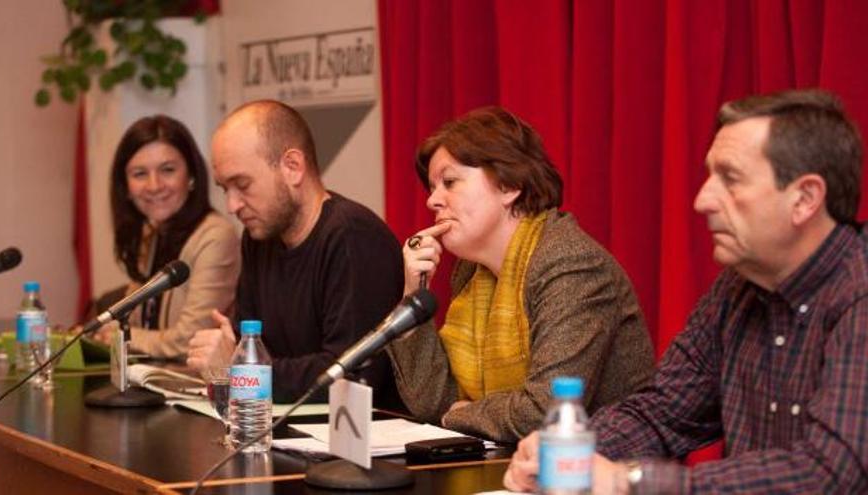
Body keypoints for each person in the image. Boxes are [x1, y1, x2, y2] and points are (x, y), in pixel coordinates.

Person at [504, 89, 868, 493]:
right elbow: (664, 412)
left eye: (730, 179)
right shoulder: (737, 290)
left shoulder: (859, 292)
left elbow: (833, 472)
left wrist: (630, 480)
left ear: (804, 198)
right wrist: (567, 449)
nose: (702, 200)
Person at [387, 106, 655, 443]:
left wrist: (460, 414)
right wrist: (414, 294)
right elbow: (432, 403)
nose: (432, 201)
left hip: (601, 476)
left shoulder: (570, 264)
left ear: (509, 185)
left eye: (450, 182)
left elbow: (544, 411)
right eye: (432, 187)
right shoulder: (472, 271)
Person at [186, 100, 404, 406]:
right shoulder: (258, 238)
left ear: (292, 167)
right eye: (225, 189)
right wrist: (225, 357)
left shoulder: (353, 238)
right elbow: (248, 347)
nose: (232, 206)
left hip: (362, 443)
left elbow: (349, 376)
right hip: (285, 430)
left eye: (242, 185)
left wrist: (239, 372)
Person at [95, 115, 240, 359]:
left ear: (191, 176)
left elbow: (191, 340)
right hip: (152, 381)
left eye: (168, 170)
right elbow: (135, 320)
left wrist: (117, 335)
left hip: (195, 389)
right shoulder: (152, 233)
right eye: (140, 174)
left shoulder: (216, 238)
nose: (154, 185)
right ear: (125, 186)